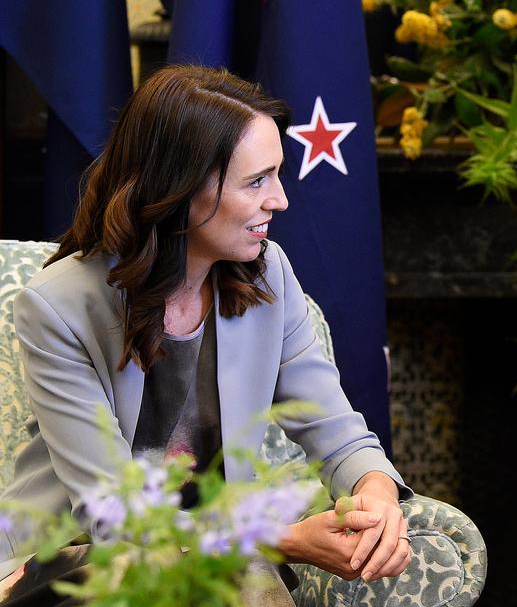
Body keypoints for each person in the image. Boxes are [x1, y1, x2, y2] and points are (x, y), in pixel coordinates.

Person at [0, 66, 413, 602]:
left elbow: (337, 432)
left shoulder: (271, 275)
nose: (280, 200)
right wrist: (285, 540)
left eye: (278, 174)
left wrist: (374, 494)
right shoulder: (58, 307)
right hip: (79, 556)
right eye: (256, 181)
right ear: (180, 189)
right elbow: (112, 516)